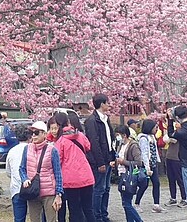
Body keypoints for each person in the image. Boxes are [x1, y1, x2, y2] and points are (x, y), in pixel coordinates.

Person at [48, 113, 94, 222]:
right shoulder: (80, 135)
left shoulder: (60, 141)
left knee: (75, 209)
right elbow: (88, 146)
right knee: (88, 209)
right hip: (86, 177)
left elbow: (57, 161)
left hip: (70, 180)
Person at [20, 121, 63, 222]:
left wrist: (58, 194)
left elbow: (58, 174)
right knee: (34, 219)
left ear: (44, 134)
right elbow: (21, 168)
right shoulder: (27, 148)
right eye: (32, 133)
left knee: (51, 219)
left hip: (49, 192)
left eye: (36, 133)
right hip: (33, 191)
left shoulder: (52, 150)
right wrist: (25, 179)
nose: (33, 136)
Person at [84, 93, 115, 222]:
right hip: (100, 160)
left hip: (109, 157)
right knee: (99, 189)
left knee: (106, 188)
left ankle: (103, 214)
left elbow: (110, 138)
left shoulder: (105, 119)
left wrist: (113, 156)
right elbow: (94, 143)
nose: (109, 105)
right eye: (107, 102)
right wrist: (100, 162)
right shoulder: (92, 121)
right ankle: (96, 216)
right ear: (102, 104)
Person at [112, 125, 144, 222]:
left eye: (118, 135)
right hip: (122, 174)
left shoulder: (133, 145)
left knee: (126, 203)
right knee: (125, 203)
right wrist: (115, 162)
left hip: (130, 176)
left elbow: (139, 162)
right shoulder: (121, 145)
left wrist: (123, 162)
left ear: (124, 135)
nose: (117, 137)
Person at [134, 119, 163, 213]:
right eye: (155, 127)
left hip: (153, 164)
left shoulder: (152, 137)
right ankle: (137, 203)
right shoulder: (143, 138)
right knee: (144, 185)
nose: (156, 129)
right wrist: (147, 167)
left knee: (156, 183)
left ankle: (156, 204)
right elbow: (144, 153)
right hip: (146, 165)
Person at [6, 124, 31, 222]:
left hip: (16, 188)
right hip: (32, 187)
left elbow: (8, 172)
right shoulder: (32, 150)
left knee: (19, 218)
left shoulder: (12, 151)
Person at [162, 125, 187, 208]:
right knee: (171, 179)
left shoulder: (183, 134)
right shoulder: (173, 133)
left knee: (180, 179)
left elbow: (174, 139)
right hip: (169, 157)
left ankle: (184, 198)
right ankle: (173, 198)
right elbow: (166, 139)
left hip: (177, 158)